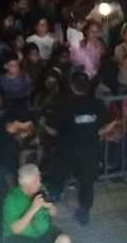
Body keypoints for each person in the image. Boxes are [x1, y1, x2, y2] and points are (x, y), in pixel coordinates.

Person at [39, 74, 119, 225]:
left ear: (72, 86)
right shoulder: (96, 104)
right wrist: (97, 132)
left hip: (66, 151)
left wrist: (43, 123)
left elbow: (52, 129)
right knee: (87, 185)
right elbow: (112, 120)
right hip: (90, 152)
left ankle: (47, 212)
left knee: (58, 181)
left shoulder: (65, 105)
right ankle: (84, 214)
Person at [1, 164, 70, 243]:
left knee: (65, 241)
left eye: (39, 179)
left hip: (42, 231)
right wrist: (33, 209)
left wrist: (49, 206)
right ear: (26, 186)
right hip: (20, 236)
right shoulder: (12, 199)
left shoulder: (41, 190)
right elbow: (16, 229)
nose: (39, 183)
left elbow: (56, 214)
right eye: (35, 181)